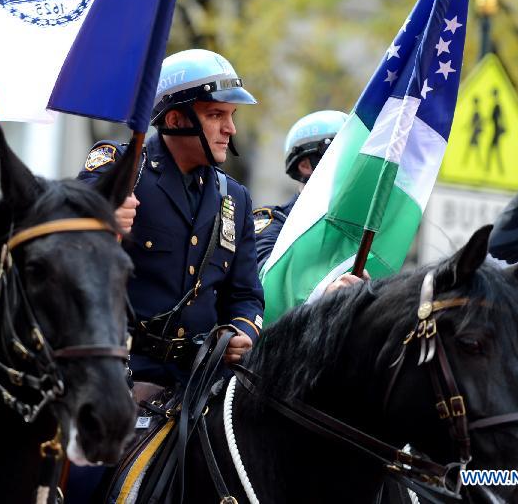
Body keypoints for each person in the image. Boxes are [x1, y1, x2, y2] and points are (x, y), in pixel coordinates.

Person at [77, 49, 265, 388]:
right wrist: (100, 218)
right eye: (215, 114)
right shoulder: (120, 169)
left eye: (232, 114)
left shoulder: (235, 198)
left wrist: (242, 330)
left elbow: (246, 295)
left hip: (203, 382)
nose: (230, 128)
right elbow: (64, 249)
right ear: (176, 120)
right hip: (123, 377)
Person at [253, 110, 348, 269]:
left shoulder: (364, 221)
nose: (349, 161)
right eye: (337, 153)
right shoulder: (276, 222)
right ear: (305, 166)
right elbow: (268, 275)